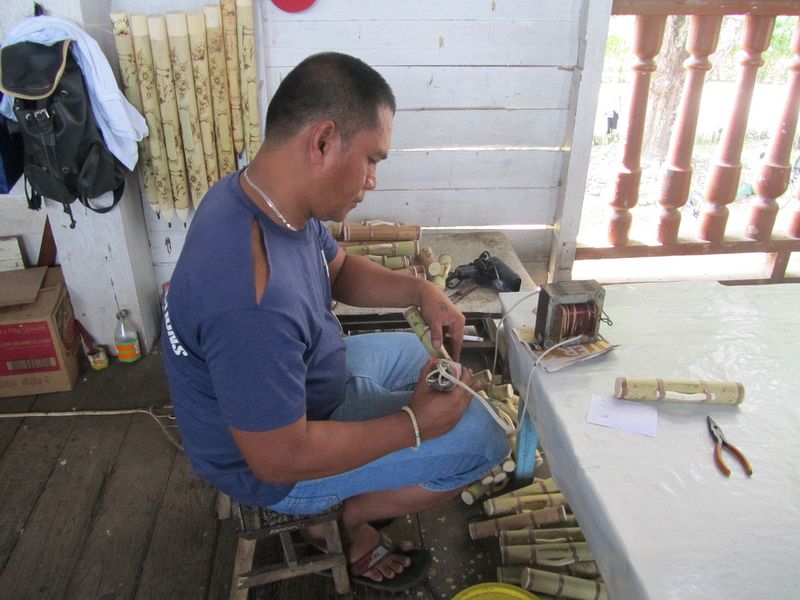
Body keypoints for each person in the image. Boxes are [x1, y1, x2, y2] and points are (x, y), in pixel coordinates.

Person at [162, 52, 508, 592]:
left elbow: (339, 270)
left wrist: (423, 291)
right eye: (372, 159)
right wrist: (412, 426)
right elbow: (280, 458)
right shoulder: (250, 295)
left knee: (429, 362)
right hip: (273, 463)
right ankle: (344, 522)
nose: (372, 180)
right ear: (323, 142)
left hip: (312, 378)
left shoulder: (264, 198)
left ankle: (358, 491)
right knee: (485, 440)